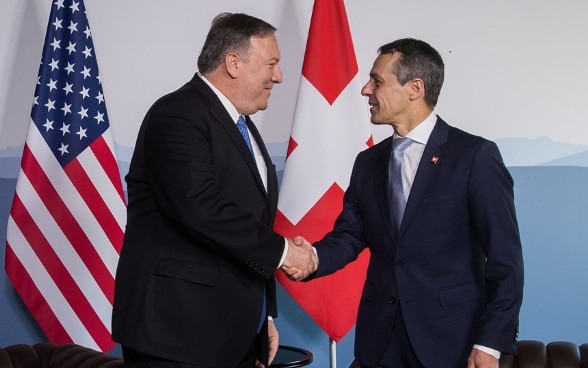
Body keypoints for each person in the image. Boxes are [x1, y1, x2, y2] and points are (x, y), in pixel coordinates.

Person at [286, 38, 524, 368]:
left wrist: (490, 343)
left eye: (377, 81)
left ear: (414, 88)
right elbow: (349, 236)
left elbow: (505, 260)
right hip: (380, 343)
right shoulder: (367, 162)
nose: (365, 90)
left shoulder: (474, 157)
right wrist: (311, 258)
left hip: (451, 343)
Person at [112, 13, 317, 368]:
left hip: (230, 333)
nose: (279, 76)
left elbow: (250, 220)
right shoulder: (177, 115)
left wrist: (263, 317)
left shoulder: (242, 125)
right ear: (233, 63)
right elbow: (200, 208)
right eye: (271, 63)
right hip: (175, 335)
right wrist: (286, 252)